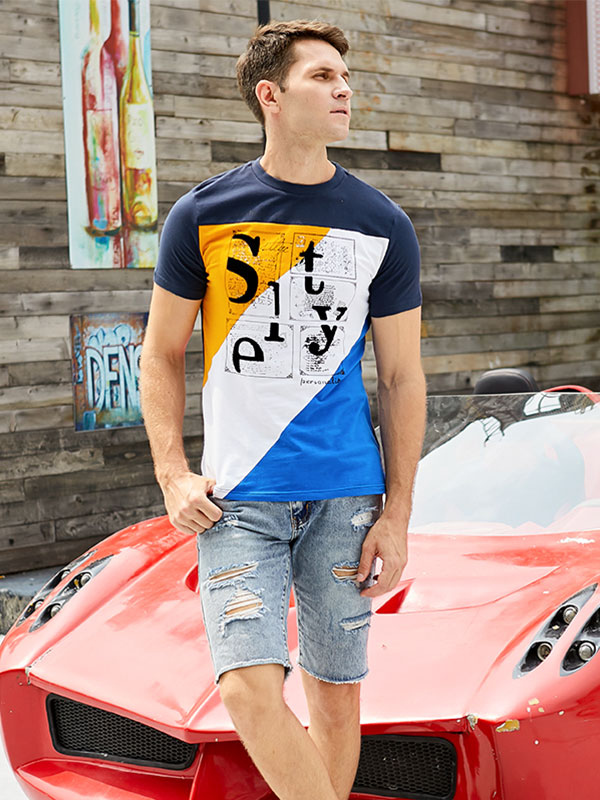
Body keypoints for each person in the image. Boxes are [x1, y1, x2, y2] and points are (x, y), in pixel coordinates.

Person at [140, 19, 426, 800]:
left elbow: (403, 378)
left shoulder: (382, 223)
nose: (344, 89)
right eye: (322, 77)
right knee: (247, 689)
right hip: (236, 499)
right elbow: (159, 353)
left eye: (345, 77)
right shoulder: (202, 215)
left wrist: (398, 513)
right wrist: (171, 473)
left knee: (335, 695)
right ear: (270, 95)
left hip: (346, 497)